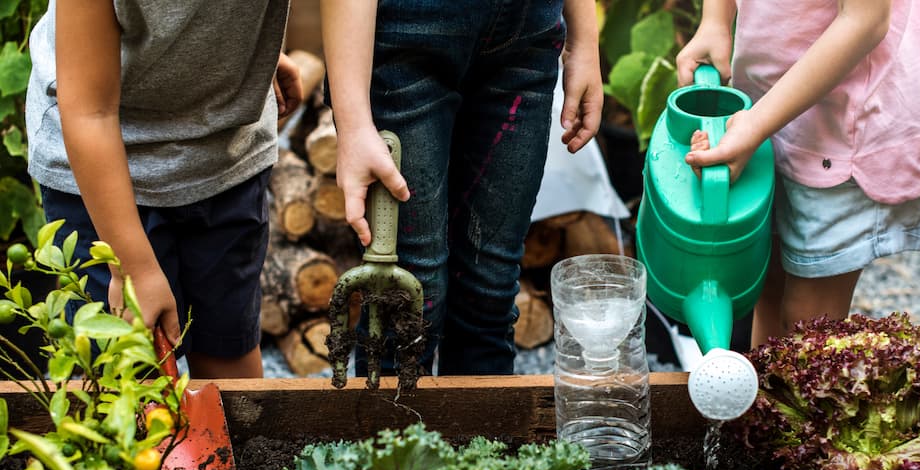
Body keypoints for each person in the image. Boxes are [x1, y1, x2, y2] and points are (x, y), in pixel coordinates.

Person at [321, 0, 603, 376]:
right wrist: (353, 123)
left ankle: (478, 434)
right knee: (407, 296)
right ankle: (392, 434)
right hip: (407, 36)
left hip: (528, 39)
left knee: (490, 291)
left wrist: (584, 41)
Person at [24, 0, 302, 379]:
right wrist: (131, 268)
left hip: (225, 156)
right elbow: (89, 112)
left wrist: (239, 50)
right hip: (100, 172)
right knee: (127, 375)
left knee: (229, 360)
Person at [675, 0, 920, 347]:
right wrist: (716, 19)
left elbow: (866, 20)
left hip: (843, 131)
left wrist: (755, 126)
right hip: (765, 110)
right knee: (765, 288)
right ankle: (765, 398)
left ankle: (794, 399)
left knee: (808, 325)